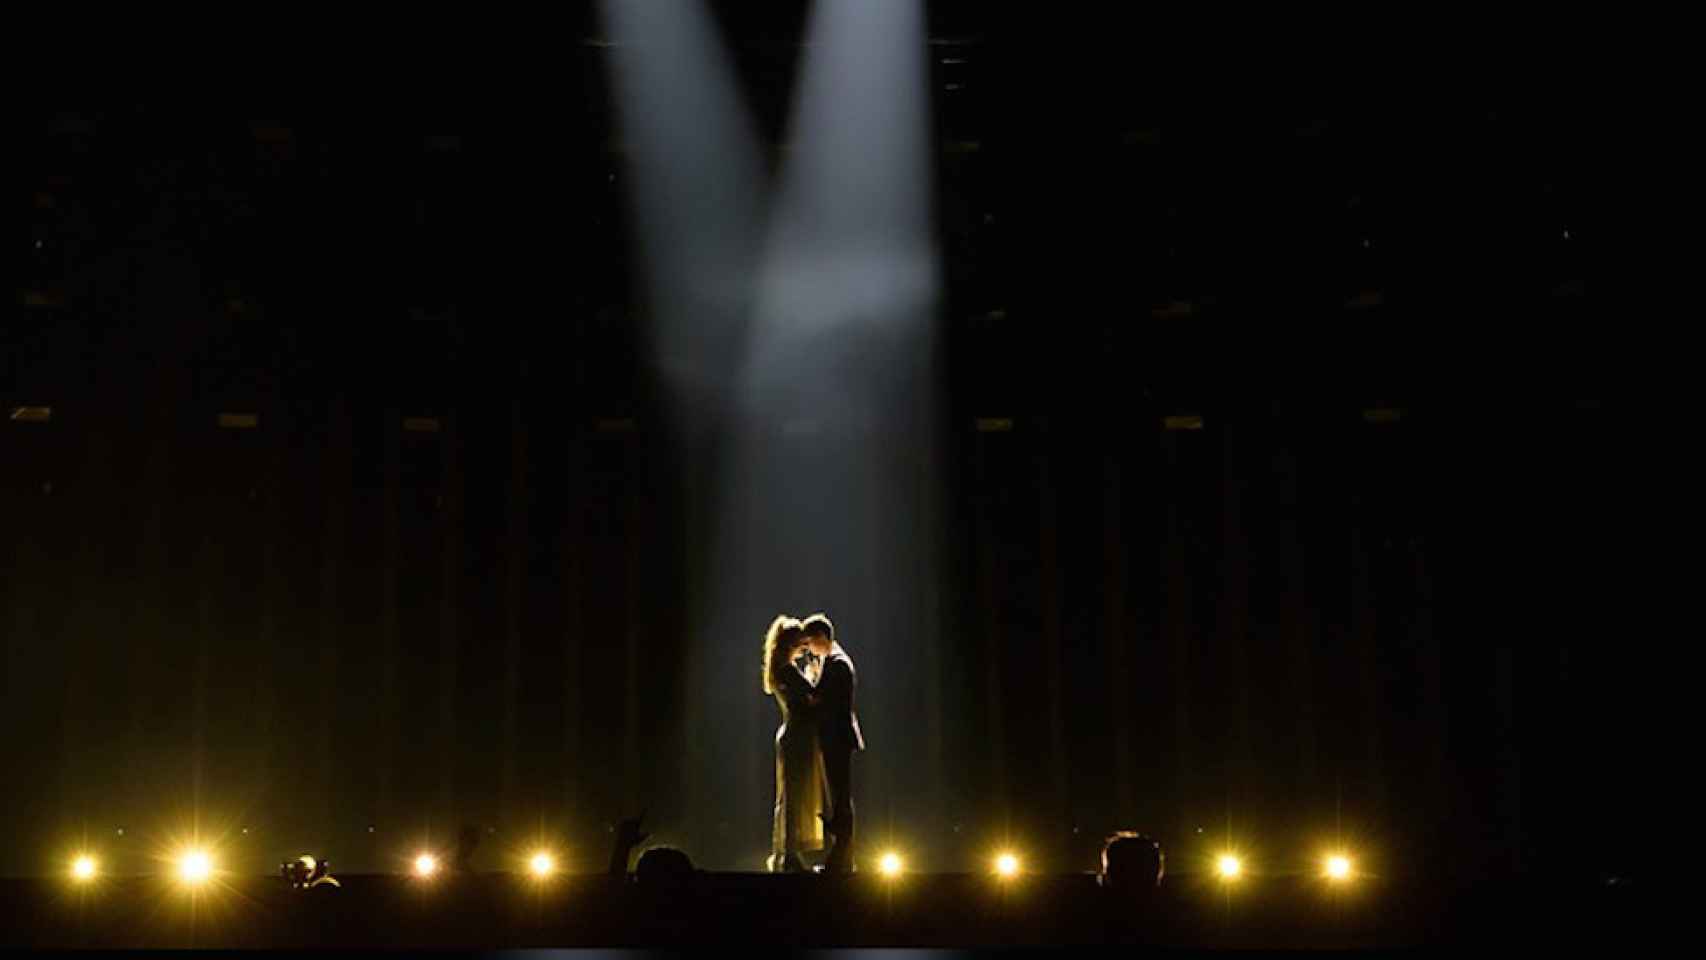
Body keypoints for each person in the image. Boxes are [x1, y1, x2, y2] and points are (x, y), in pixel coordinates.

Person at [763, 615, 828, 872]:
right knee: (794, 797)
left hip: (793, 733)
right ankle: (789, 856)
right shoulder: (787, 670)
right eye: (800, 642)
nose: (804, 647)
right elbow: (810, 699)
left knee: (789, 796)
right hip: (797, 736)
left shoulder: (780, 667)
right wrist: (817, 675)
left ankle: (785, 854)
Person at [801, 613, 863, 874]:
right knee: (839, 798)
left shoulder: (837, 663)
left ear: (822, 638)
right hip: (837, 737)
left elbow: (819, 698)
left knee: (840, 799)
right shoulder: (833, 660)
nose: (808, 648)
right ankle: (841, 858)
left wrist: (810, 679)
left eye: (810, 642)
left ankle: (842, 859)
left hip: (837, 737)